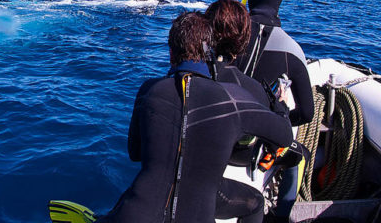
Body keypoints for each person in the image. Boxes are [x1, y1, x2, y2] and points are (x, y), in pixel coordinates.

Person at [95, 12, 293, 223]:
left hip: (133, 215)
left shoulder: (149, 90)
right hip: (197, 214)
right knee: (255, 203)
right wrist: (280, 105)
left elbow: (135, 153)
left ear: (171, 53)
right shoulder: (233, 99)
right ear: (210, 52)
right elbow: (285, 136)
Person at [206, 0, 300, 223]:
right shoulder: (251, 90)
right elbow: (283, 137)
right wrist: (282, 107)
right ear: (243, 40)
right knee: (297, 158)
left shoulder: (187, 80)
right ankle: (282, 216)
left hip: (187, 168)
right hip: (226, 169)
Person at [234, 0, 315, 221]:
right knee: (301, 157)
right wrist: (276, 121)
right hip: (255, 149)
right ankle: (282, 217)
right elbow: (308, 113)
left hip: (219, 132)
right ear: (279, 1)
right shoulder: (292, 50)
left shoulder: (227, 37)